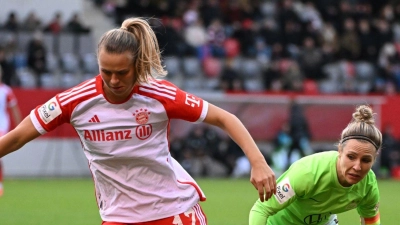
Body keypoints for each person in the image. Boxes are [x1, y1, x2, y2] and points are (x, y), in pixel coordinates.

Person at [0, 17, 276, 224]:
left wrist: (258, 161)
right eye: (105, 72)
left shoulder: (160, 95)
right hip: (118, 216)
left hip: (173, 210)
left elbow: (224, 117)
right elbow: (16, 137)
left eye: (122, 72)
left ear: (138, 65)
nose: (113, 80)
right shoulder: (74, 102)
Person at [249, 104, 382, 225]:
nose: (357, 167)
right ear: (340, 151)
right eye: (351, 157)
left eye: (366, 160)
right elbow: (261, 209)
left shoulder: (368, 185)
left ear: (374, 159)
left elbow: (370, 219)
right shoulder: (308, 173)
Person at [0, 65, 22, 196]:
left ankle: (0, 185)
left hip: (2, 126)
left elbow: (14, 109)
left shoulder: (6, 91)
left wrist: (20, 127)